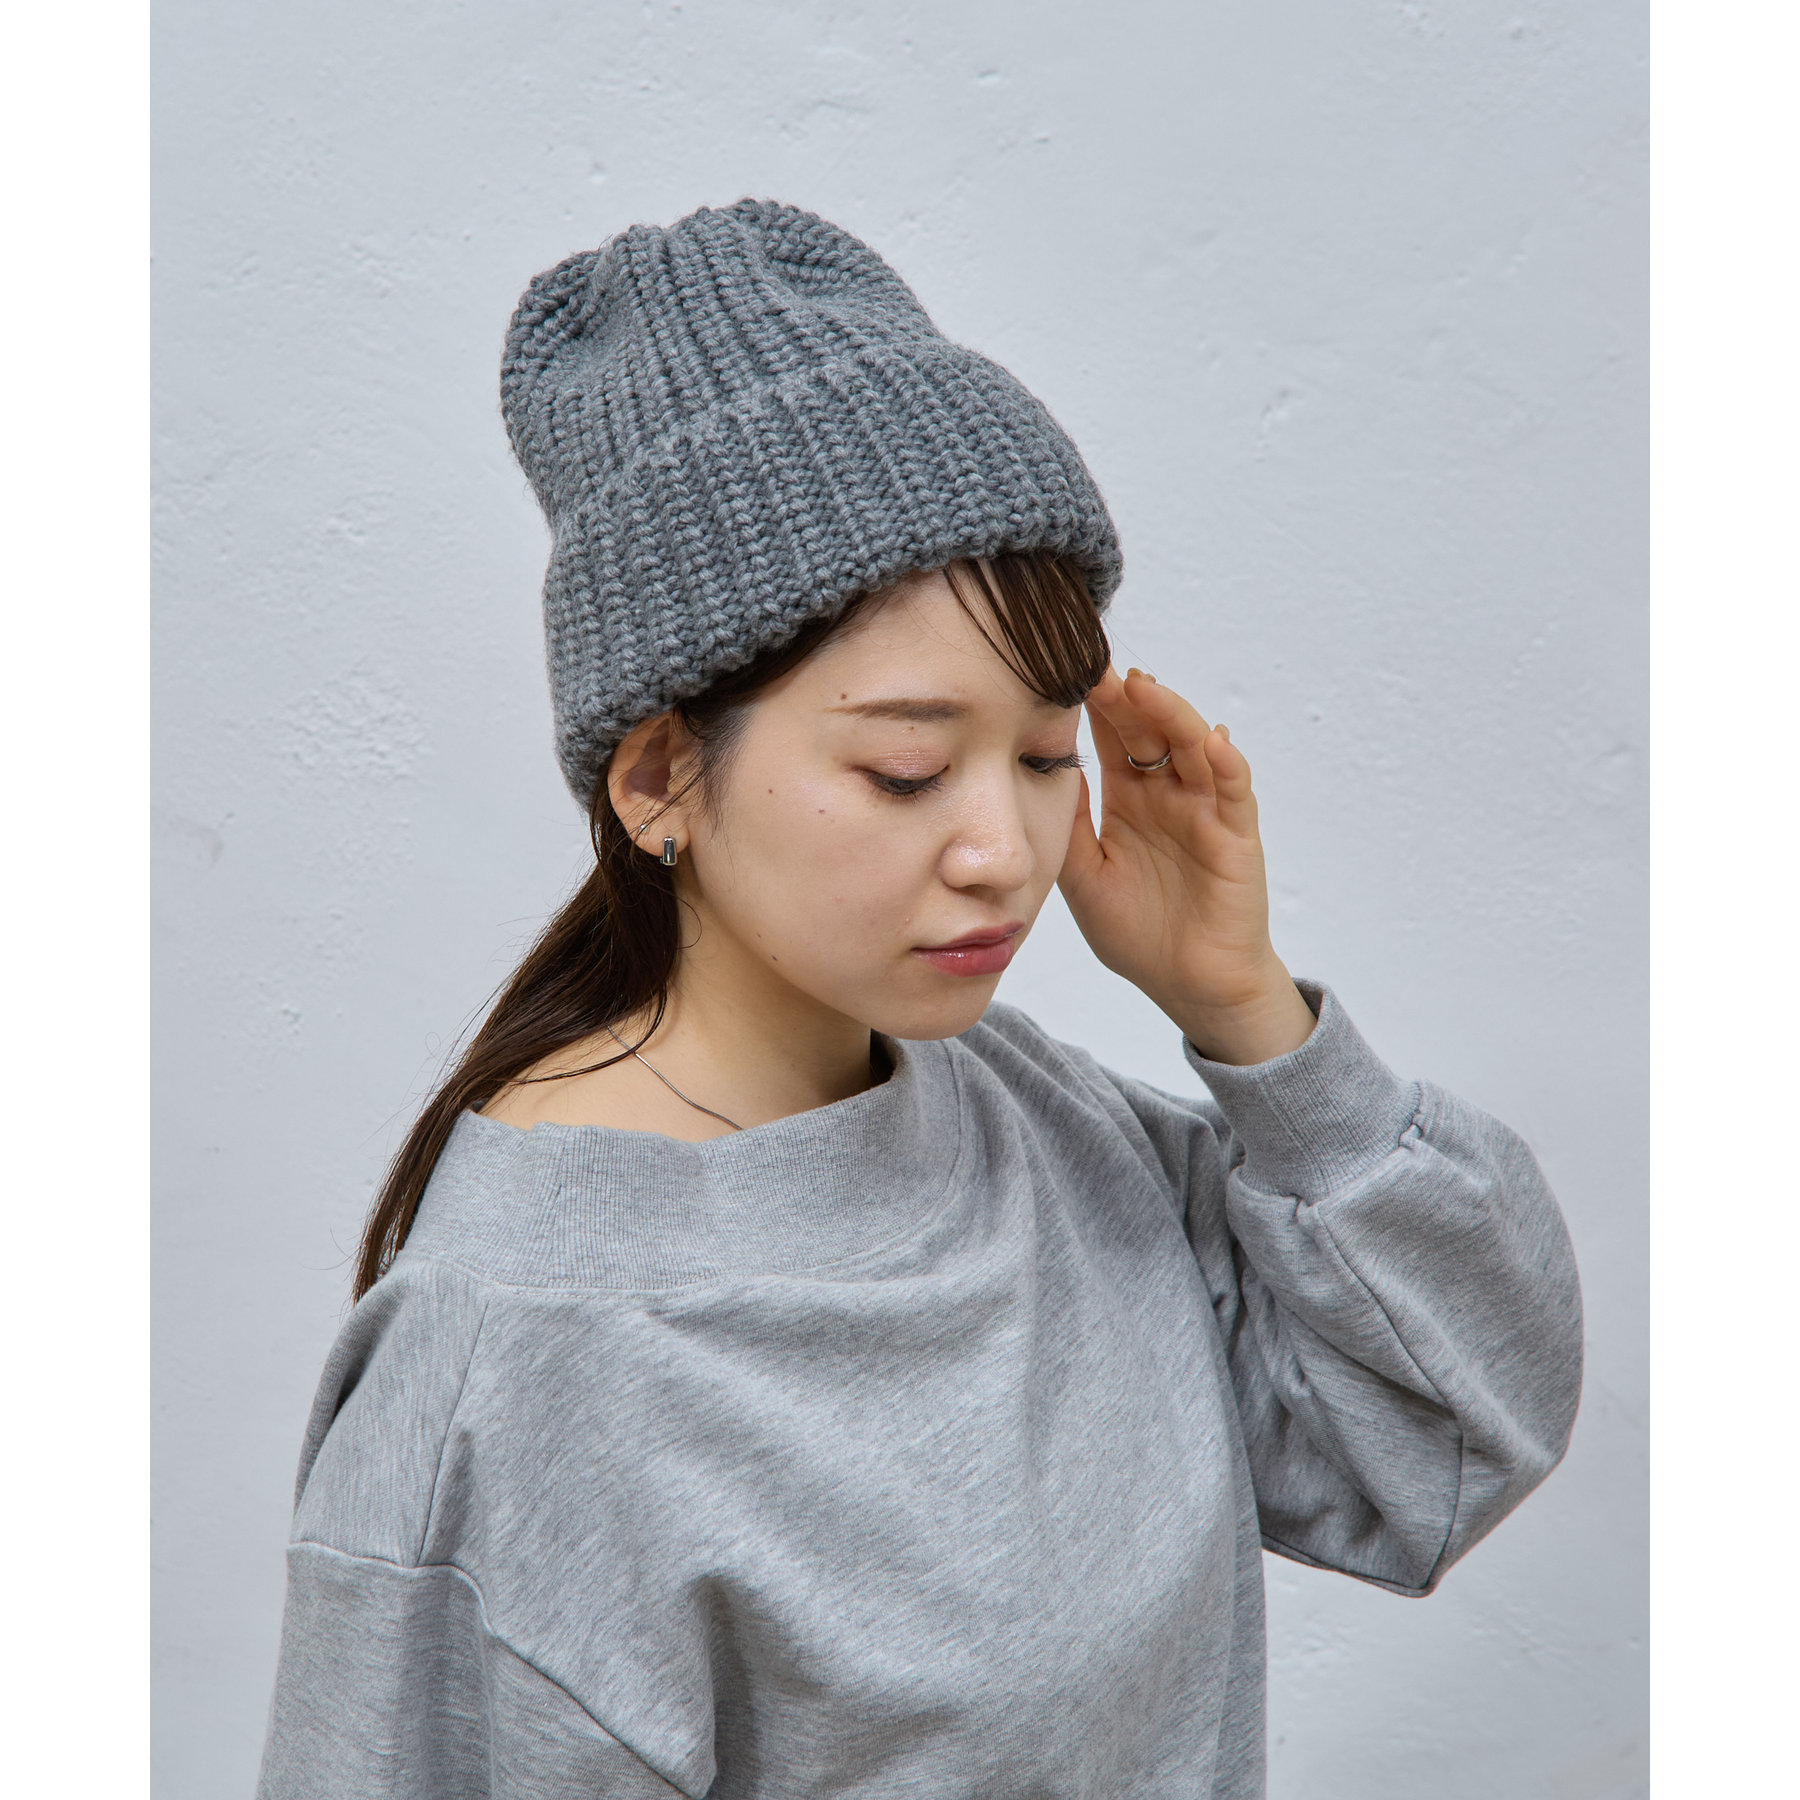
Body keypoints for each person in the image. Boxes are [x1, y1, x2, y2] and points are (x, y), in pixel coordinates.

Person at [255, 200, 1582, 1799]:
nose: (1005, 850)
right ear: (659, 777)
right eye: (905, 769)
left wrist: (1248, 1018)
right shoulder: (525, 1354)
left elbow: (1445, 1444)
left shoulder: (1039, 1127)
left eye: (1043, 755)